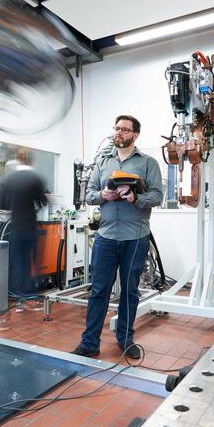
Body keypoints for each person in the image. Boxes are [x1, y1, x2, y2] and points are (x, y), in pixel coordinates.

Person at [71, 115, 163, 359]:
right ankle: (90, 342)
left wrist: (135, 198)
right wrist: (103, 194)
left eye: (124, 129)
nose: (119, 132)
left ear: (135, 134)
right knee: (99, 290)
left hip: (135, 237)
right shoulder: (102, 162)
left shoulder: (148, 163)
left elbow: (157, 196)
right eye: (116, 128)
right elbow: (89, 195)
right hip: (106, 236)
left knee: (130, 292)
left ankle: (125, 339)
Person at [0, 149, 48, 296]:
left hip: (15, 227)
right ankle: (30, 294)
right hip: (30, 227)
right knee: (32, 261)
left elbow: (2, 205)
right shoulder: (35, 178)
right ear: (31, 161)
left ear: (18, 160)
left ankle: (17, 296)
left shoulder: (8, 180)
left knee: (16, 262)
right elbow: (42, 202)